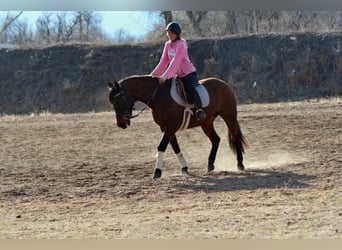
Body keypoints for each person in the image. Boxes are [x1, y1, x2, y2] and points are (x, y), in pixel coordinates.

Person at [151, 21, 207, 120]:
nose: (170, 35)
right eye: (168, 32)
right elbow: (163, 62)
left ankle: (200, 110)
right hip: (178, 75)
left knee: (189, 89)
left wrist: (164, 76)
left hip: (189, 74)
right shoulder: (167, 45)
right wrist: (153, 75)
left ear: (177, 34)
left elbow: (175, 63)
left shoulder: (181, 44)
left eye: (172, 33)